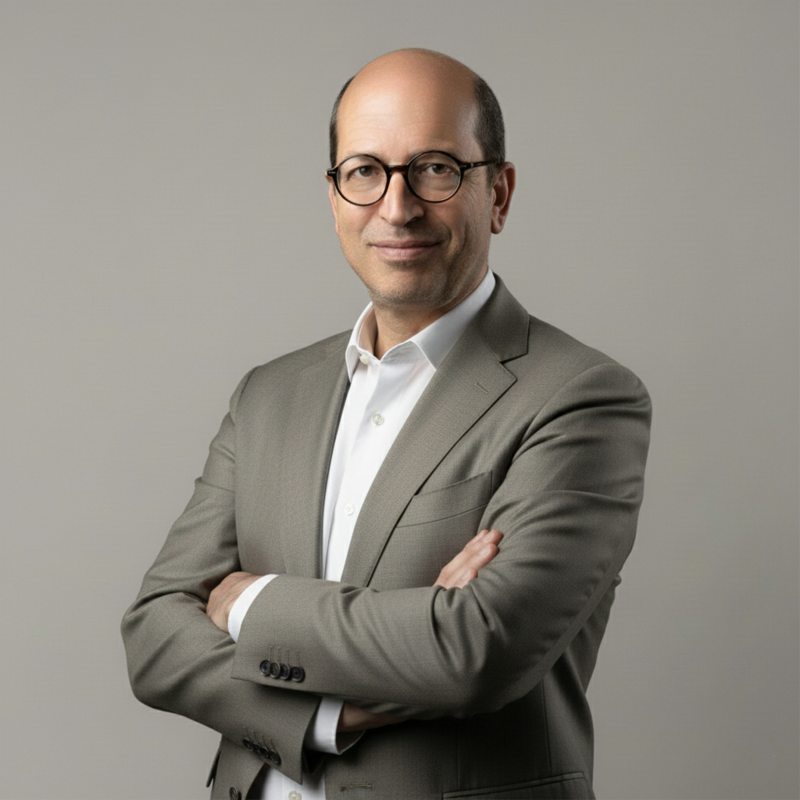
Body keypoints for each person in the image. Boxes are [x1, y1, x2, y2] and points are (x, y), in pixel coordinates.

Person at [122, 48, 651, 800]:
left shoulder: (583, 397)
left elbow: (474, 650)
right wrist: (327, 715)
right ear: (334, 195)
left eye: (435, 168)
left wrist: (248, 604)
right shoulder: (267, 395)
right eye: (365, 171)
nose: (396, 208)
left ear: (498, 193)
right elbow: (153, 636)